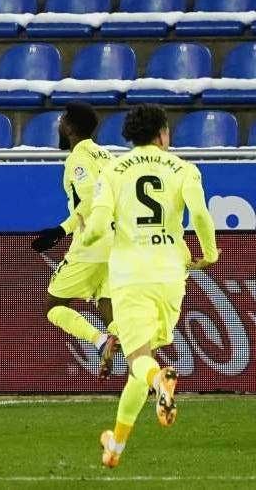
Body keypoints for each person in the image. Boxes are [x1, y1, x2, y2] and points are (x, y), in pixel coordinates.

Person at [83, 104, 219, 468]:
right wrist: (210, 253)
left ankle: (161, 379)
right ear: (162, 134)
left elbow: (97, 224)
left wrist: (87, 238)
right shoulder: (184, 169)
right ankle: (115, 448)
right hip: (171, 274)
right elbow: (201, 215)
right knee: (139, 365)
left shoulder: (112, 170)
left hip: (129, 275)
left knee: (141, 362)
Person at [31, 102, 118, 379]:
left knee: (54, 307)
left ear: (69, 127)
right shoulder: (109, 156)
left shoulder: (78, 158)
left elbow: (93, 198)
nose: (59, 123)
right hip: (119, 244)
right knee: (109, 308)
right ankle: (145, 372)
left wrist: (61, 230)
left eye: (62, 119)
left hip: (92, 241)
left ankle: (101, 341)